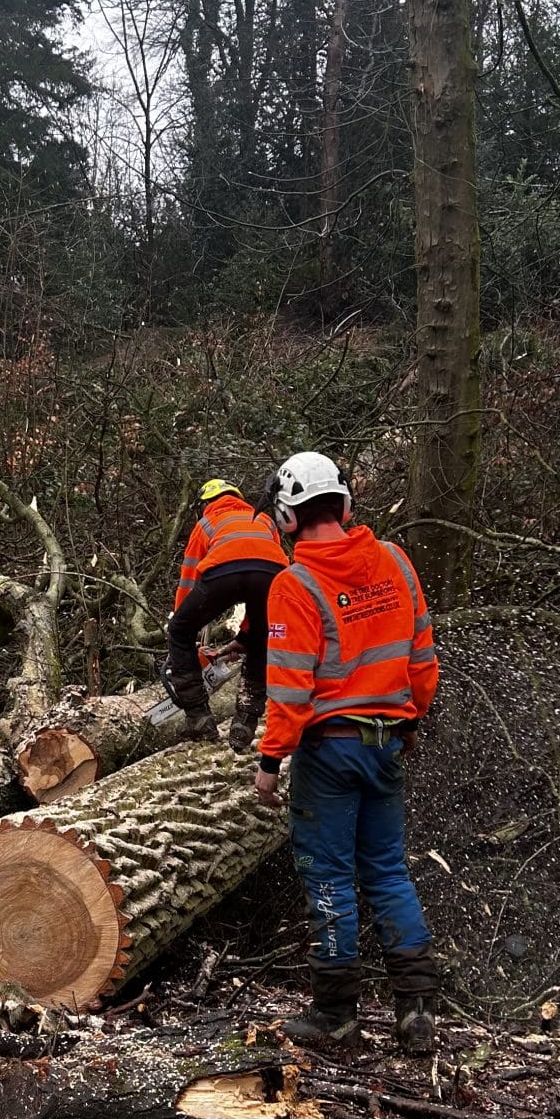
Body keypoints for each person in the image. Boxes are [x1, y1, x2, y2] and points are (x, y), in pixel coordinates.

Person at [252, 451, 441, 1053]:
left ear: (286, 517)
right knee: (387, 869)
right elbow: (422, 661)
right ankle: (416, 1008)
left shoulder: (295, 584)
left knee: (329, 875)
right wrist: (410, 722)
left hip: (329, 750)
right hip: (387, 742)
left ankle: (336, 1012)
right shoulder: (396, 562)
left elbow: (290, 688)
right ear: (344, 503)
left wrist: (270, 761)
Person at [166, 477, 287, 751]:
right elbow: (261, 567)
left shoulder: (206, 523)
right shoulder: (265, 520)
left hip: (223, 573)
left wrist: (182, 622)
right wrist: (246, 636)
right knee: (262, 638)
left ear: (205, 503)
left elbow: (189, 578)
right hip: (271, 576)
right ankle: (246, 720)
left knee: (180, 631)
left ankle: (198, 717)